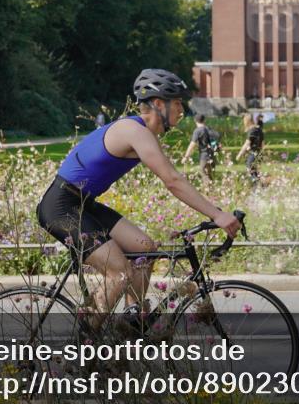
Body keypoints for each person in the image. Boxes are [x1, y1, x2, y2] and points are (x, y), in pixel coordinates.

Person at [36, 69, 239, 319]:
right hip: (61, 206)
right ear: (157, 104)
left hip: (83, 204)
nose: (181, 110)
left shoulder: (142, 132)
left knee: (144, 248)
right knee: (119, 273)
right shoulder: (135, 132)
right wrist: (217, 214)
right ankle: (84, 345)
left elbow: (173, 178)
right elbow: (172, 181)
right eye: (176, 103)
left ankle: (132, 319)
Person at [182, 114, 221, 181]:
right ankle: (211, 190)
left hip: (204, 156)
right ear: (204, 120)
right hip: (212, 155)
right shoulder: (209, 128)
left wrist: (186, 157)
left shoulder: (198, 131)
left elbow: (192, 144)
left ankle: (208, 189)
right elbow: (218, 136)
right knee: (210, 175)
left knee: (203, 173)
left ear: (195, 121)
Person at [236, 115, 264, 185]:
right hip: (259, 153)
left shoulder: (252, 130)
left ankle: (257, 188)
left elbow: (246, 143)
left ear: (247, 122)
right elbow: (263, 144)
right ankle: (260, 188)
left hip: (253, 154)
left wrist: (239, 154)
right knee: (255, 172)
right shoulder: (259, 129)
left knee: (250, 169)